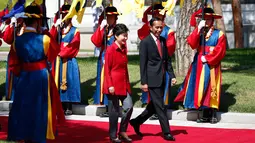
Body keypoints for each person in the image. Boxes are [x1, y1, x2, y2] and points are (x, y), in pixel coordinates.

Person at [7, 4, 65, 143]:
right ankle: (38, 135)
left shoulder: (16, 41)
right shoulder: (44, 39)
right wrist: (48, 33)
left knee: (23, 107)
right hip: (40, 77)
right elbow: (55, 51)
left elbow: (13, 64)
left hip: (24, 77)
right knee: (39, 107)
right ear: (38, 21)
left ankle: (22, 134)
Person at [174, 7, 227, 124]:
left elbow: (221, 51)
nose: (207, 21)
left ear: (213, 19)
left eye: (209, 19)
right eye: (205, 19)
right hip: (199, 63)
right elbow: (192, 43)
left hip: (211, 63)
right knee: (200, 85)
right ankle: (203, 111)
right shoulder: (200, 32)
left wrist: (208, 58)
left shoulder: (219, 34)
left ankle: (212, 113)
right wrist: (198, 28)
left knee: (210, 86)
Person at [130, 17, 176, 141]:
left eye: (161, 27)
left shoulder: (163, 40)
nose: (159, 30)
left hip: (162, 78)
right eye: (156, 27)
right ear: (151, 27)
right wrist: (144, 82)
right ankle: (167, 132)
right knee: (160, 106)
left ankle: (136, 121)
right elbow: (142, 64)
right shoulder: (145, 42)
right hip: (151, 79)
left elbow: (167, 60)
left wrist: (172, 75)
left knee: (154, 105)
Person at [138, 3, 177, 120]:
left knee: (161, 94)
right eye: (154, 14)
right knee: (154, 96)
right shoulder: (149, 29)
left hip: (163, 66)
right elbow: (143, 38)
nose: (156, 15)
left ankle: (158, 111)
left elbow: (170, 48)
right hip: (152, 68)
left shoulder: (168, 31)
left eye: (159, 14)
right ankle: (157, 116)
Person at [103, 23, 133, 143]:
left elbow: (125, 68)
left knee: (129, 107)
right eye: (123, 36)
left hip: (124, 84)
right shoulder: (110, 50)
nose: (125, 38)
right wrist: (110, 85)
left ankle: (122, 131)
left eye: (126, 35)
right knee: (114, 112)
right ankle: (113, 135)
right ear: (116, 36)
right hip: (113, 85)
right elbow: (107, 70)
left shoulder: (124, 48)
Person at [50, 4, 81, 115]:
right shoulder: (58, 29)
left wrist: (61, 51)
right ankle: (58, 105)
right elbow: (50, 40)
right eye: (63, 15)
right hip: (57, 61)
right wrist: (55, 27)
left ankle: (68, 106)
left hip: (68, 60)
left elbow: (74, 46)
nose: (64, 17)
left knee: (69, 81)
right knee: (57, 81)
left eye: (66, 15)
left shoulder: (75, 31)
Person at [91, 6, 119, 117]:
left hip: (114, 59)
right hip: (103, 59)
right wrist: (100, 29)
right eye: (107, 17)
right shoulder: (104, 29)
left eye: (111, 17)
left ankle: (113, 108)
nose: (109, 19)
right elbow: (96, 42)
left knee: (113, 82)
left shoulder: (118, 29)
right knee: (104, 82)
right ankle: (107, 107)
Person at [2, 14, 25, 101]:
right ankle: (12, 98)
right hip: (14, 57)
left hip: (25, 58)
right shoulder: (16, 26)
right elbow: (7, 39)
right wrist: (11, 26)